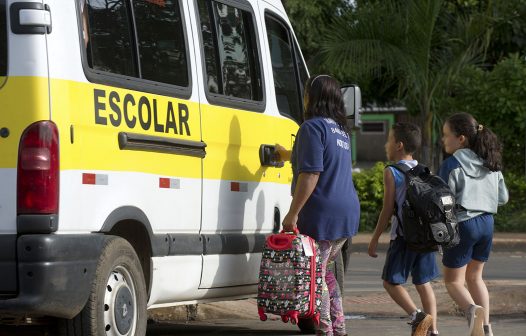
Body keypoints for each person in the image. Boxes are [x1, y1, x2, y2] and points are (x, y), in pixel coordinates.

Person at [278, 75, 360, 336]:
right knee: (326, 275)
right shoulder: (341, 131)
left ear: (312, 96)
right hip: (345, 215)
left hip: (323, 216)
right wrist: (288, 153)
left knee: (315, 278)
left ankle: (326, 331)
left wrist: (293, 213)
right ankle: (339, 328)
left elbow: (311, 173)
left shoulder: (311, 128)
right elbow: (322, 158)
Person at [438, 113, 508, 336]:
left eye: (446, 135)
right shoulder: (490, 163)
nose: (443, 140)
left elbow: (442, 199)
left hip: (464, 223)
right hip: (487, 223)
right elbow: (503, 198)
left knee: (453, 281)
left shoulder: (451, 165)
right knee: (475, 277)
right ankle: (486, 328)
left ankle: (472, 310)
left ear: (461, 139)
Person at [368, 122, 440, 336]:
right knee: (424, 283)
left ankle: (417, 316)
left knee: (390, 282)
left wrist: (374, 239)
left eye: (388, 140)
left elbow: (387, 209)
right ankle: (433, 331)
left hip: (403, 238)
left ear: (399, 145)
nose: (385, 145)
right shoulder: (425, 170)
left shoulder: (391, 171)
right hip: (425, 238)